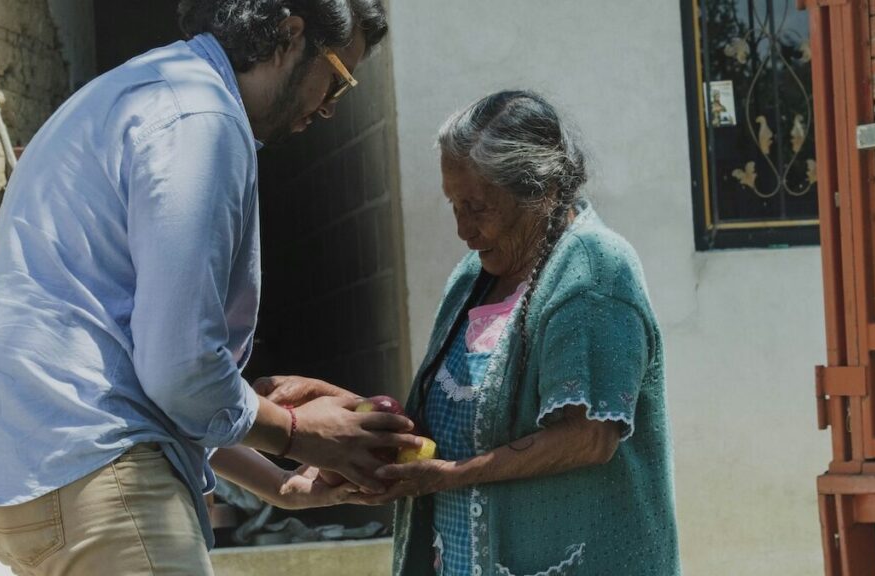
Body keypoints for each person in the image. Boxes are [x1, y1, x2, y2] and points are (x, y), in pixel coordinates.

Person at [0, 1, 420, 575]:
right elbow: (180, 371)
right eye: (338, 77)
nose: (330, 107)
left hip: (25, 480)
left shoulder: (138, 91)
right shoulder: (200, 121)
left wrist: (280, 486)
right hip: (93, 474)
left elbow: (149, 372)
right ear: (289, 34)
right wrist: (305, 435)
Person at [271, 91, 681, 575]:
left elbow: (589, 437)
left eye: (477, 206)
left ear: (538, 192)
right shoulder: (472, 278)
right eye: (454, 204)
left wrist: (448, 478)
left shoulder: (592, 271)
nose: (463, 228)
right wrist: (340, 412)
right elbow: (459, 427)